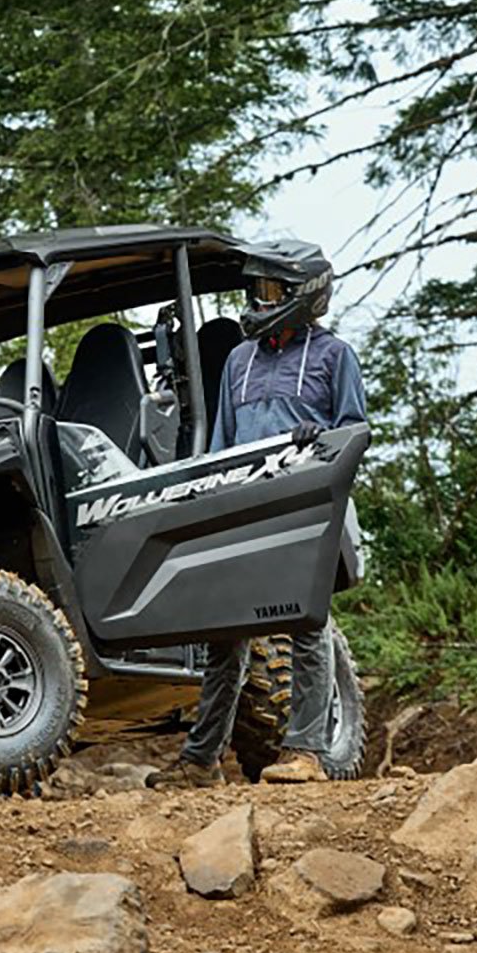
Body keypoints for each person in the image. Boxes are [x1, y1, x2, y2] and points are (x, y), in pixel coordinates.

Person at [151, 242, 367, 789]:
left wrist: (321, 441)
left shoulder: (334, 355)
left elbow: (354, 431)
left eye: (269, 291)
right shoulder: (239, 362)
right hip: (244, 506)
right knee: (225, 638)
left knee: (306, 626)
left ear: (302, 295)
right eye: (255, 290)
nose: (258, 300)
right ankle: (201, 762)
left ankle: (307, 752)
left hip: (305, 508)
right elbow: (222, 442)